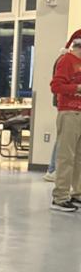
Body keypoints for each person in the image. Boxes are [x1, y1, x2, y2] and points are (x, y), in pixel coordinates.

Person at [49, 29, 81, 211]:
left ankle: (77, 194)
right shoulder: (66, 60)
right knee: (66, 157)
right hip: (69, 112)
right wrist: (77, 88)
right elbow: (56, 86)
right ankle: (60, 197)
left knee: (79, 158)